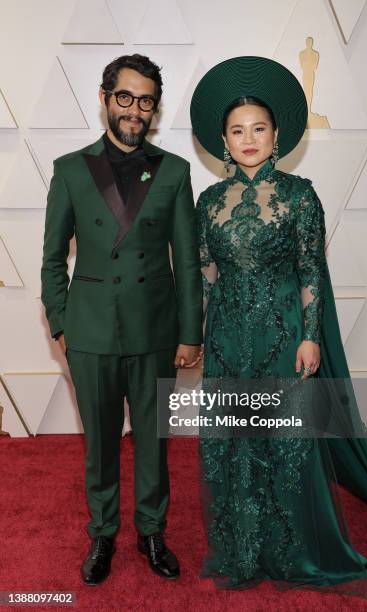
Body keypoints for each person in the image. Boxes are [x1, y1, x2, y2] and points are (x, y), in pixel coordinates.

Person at [190, 56, 367, 593]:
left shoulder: (299, 195)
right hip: (226, 338)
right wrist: (196, 336)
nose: (248, 139)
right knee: (232, 438)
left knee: (286, 440)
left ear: (276, 134)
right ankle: (243, 548)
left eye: (258, 129)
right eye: (237, 130)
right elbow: (207, 274)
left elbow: (312, 268)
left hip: (282, 333)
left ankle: (297, 552)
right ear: (223, 139)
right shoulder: (209, 201)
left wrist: (310, 335)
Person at [41, 54, 203, 585]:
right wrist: (63, 325)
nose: (136, 109)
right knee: (101, 442)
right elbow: (50, 259)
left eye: (146, 101)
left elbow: (187, 259)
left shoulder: (175, 171)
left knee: (155, 440)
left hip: (156, 331)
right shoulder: (69, 170)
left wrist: (189, 332)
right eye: (126, 97)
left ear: (155, 108)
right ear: (106, 98)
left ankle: (152, 532)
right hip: (89, 333)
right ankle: (103, 533)